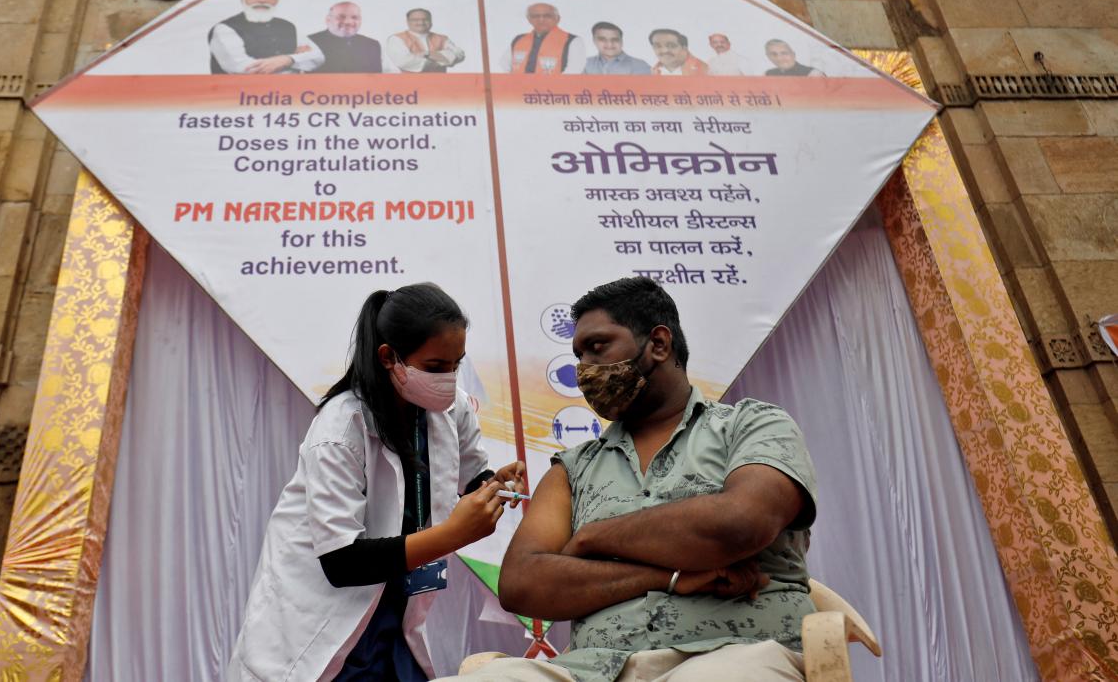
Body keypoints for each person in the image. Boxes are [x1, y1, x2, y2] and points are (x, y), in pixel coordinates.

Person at [446, 276, 816, 682]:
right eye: (578, 354)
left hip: (736, 652)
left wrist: (592, 538)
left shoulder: (753, 426)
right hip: (591, 670)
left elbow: (740, 523)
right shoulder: (573, 468)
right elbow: (522, 584)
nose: (584, 368)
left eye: (598, 346)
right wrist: (673, 577)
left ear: (658, 344)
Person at [225, 283, 526, 682]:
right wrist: (453, 535)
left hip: (393, 615)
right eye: (436, 367)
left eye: (458, 364)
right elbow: (341, 562)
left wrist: (493, 484)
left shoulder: (450, 409)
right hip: (321, 621)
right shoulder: (339, 429)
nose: (450, 379)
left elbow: (470, 476)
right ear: (389, 358)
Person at [207, 0, 323, 74]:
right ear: (243, 0)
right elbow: (243, 68)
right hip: (239, 97)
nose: (262, 0)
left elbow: (318, 57)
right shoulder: (224, 28)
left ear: (276, 0)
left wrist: (288, 59)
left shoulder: (287, 26)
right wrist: (295, 60)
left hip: (286, 95)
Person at [498, 2, 585, 75]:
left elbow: (574, 72)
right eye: (535, 16)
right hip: (518, 91)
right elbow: (503, 65)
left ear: (557, 19)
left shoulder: (573, 41)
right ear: (529, 19)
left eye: (547, 16)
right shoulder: (519, 40)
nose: (541, 20)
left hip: (552, 92)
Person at [308, 1, 396, 73]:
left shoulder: (373, 45)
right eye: (341, 17)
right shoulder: (309, 43)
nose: (348, 22)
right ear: (328, 20)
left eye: (354, 17)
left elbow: (392, 75)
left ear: (360, 20)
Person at [386, 8, 466, 73]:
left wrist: (426, 54)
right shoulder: (397, 39)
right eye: (415, 20)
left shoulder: (442, 38)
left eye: (425, 19)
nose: (421, 22)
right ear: (408, 22)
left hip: (440, 82)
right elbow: (403, 61)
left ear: (431, 21)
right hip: (410, 84)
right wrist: (443, 59)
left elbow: (459, 54)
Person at [582, 22, 651, 75]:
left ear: (622, 41)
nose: (609, 44)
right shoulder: (584, 65)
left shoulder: (640, 66)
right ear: (594, 41)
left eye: (615, 39)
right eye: (602, 39)